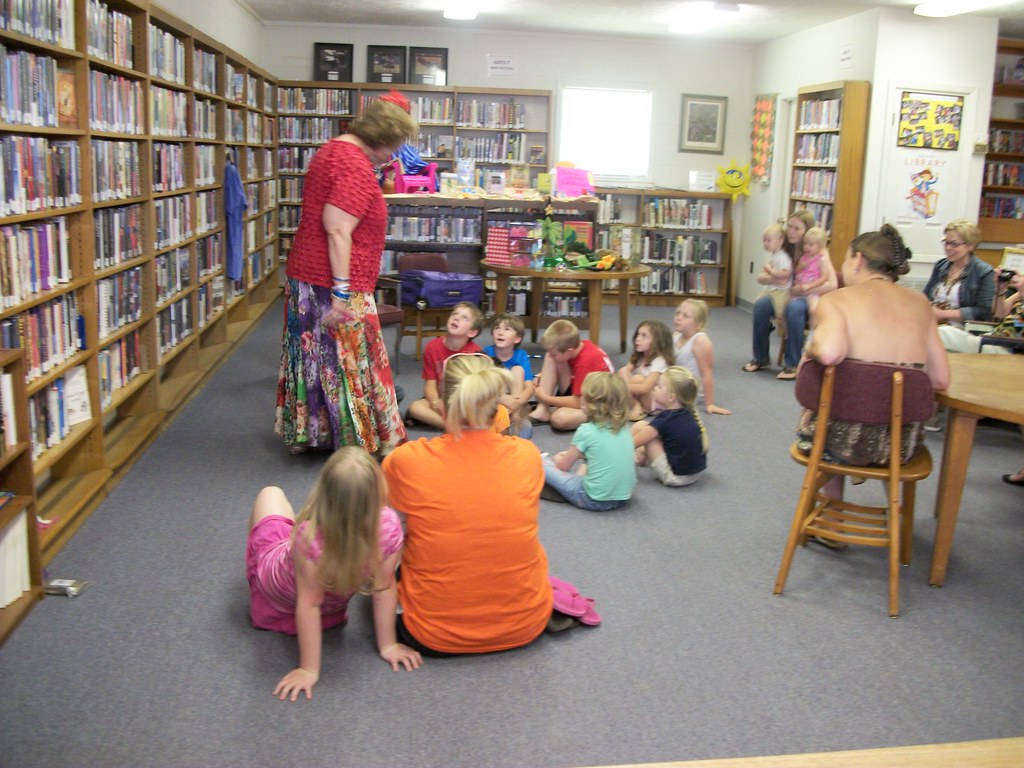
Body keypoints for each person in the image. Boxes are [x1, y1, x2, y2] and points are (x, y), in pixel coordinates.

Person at [275, 92, 416, 457]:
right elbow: (337, 229)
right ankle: (365, 442)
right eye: (393, 146)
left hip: (310, 275)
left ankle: (316, 434)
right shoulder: (353, 163)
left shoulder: (332, 149)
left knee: (317, 360)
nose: (392, 155)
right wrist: (340, 293)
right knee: (357, 361)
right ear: (381, 136)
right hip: (335, 282)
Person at [382, 360, 554, 655]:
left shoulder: (407, 460)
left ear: (442, 409)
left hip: (430, 634)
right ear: (497, 409)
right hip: (526, 625)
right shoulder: (527, 455)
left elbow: (385, 532)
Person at [245, 447, 423, 702]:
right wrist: (388, 645)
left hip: (277, 589)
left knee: (270, 493)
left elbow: (309, 603)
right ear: (377, 491)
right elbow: (383, 588)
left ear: (324, 491)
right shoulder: (389, 527)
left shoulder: (309, 536)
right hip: (332, 605)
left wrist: (309, 668)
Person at [797, 223, 950, 502]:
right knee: (877, 402)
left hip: (840, 442)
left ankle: (833, 510)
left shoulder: (837, 300)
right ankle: (894, 513)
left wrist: (811, 349)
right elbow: (940, 379)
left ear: (858, 259)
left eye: (846, 258)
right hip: (900, 446)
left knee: (833, 390)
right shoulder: (921, 303)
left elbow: (830, 353)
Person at [745, 210, 838, 380]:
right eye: (789, 226)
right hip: (783, 293)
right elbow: (762, 277)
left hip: (808, 296)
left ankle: (792, 364)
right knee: (761, 305)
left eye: (797, 228)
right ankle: (761, 357)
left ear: (807, 230)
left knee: (794, 308)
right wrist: (772, 278)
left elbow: (832, 284)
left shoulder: (818, 251)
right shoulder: (783, 248)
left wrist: (804, 290)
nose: (791, 231)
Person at [541, 371, 637, 511]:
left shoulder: (586, 430)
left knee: (543, 463)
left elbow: (564, 466)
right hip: (624, 497)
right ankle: (576, 482)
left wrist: (558, 459)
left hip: (592, 499)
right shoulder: (624, 426)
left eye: (584, 397)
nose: (581, 400)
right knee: (591, 460)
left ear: (593, 404)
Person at [404, 302, 485, 430]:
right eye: (454, 314)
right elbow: (430, 385)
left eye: (465, 317)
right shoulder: (433, 346)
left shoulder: (475, 353)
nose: (456, 317)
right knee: (415, 407)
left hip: (463, 399)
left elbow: (476, 390)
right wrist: (436, 403)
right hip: (440, 398)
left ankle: (451, 422)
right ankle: (451, 427)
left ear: (472, 332)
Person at [529, 319, 614, 431]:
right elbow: (571, 367)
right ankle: (542, 410)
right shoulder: (577, 345)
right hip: (583, 393)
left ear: (569, 350)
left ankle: (596, 417)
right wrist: (543, 375)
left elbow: (578, 402)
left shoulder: (585, 362)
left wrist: (546, 399)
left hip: (597, 405)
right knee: (550, 357)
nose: (551, 355)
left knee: (559, 419)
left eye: (554, 353)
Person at [924, 219, 996, 350]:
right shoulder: (940, 265)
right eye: (946, 243)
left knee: (938, 335)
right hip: (933, 324)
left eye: (954, 244)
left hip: (963, 330)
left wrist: (942, 314)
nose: (948, 248)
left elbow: (982, 312)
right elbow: (926, 295)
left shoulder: (984, 272)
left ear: (970, 246)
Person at [632, 366, 709, 487]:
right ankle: (640, 456)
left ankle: (637, 458)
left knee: (646, 434)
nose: (655, 388)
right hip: (696, 474)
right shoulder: (689, 412)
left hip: (675, 477)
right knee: (644, 427)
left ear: (671, 397)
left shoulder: (665, 419)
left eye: (659, 386)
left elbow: (633, 443)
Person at [673, 299, 731, 415]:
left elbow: (706, 373)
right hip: (674, 383)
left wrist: (709, 403)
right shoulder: (675, 336)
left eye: (685, 316)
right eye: (678, 313)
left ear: (697, 326)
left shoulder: (701, 341)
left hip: (687, 392)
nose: (678, 317)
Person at [482, 313, 536, 431]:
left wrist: (517, 402)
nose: (500, 332)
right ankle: (505, 419)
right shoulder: (486, 353)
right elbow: (482, 386)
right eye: (497, 328)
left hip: (514, 397)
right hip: (494, 396)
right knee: (494, 372)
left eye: (507, 329)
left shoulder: (521, 355)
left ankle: (514, 416)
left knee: (517, 369)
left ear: (517, 339)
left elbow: (529, 387)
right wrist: (500, 398)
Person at [617, 319, 674, 420]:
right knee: (623, 371)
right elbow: (624, 373)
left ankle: (634, 405)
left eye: (644, 336)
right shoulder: (640, 356)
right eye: (638, 335)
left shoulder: (659, 361)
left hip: (655, 403)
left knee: (638, 379)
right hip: (641, 395)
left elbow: (645, 388)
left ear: (657, 341)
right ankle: (634, 404)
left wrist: (618, 387)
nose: (638, 339)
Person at [753, 222, 793, 326]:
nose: (765, 243)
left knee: (780, 314)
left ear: (780, 241)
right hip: (773, 289)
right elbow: (761, 278)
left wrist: (771, 271)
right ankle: (769, 325)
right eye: (764, 240)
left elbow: (785, 274)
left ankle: (785, 332)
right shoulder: (775, 255)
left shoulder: (783, 257)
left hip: (781, 291)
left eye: (768, 240)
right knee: (758, 302)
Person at [792, 226, 829, 313]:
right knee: (787, 308)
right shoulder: (803, 258)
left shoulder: (821, 259)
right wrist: (800, 266)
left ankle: (813, 327)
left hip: (812, 292)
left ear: (820, 247)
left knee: (813, 309)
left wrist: (809, 286)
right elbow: (796, 272)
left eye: (811, 245)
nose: (806, 247)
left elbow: (824, 278)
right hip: (798, 289)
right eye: (805, 244)